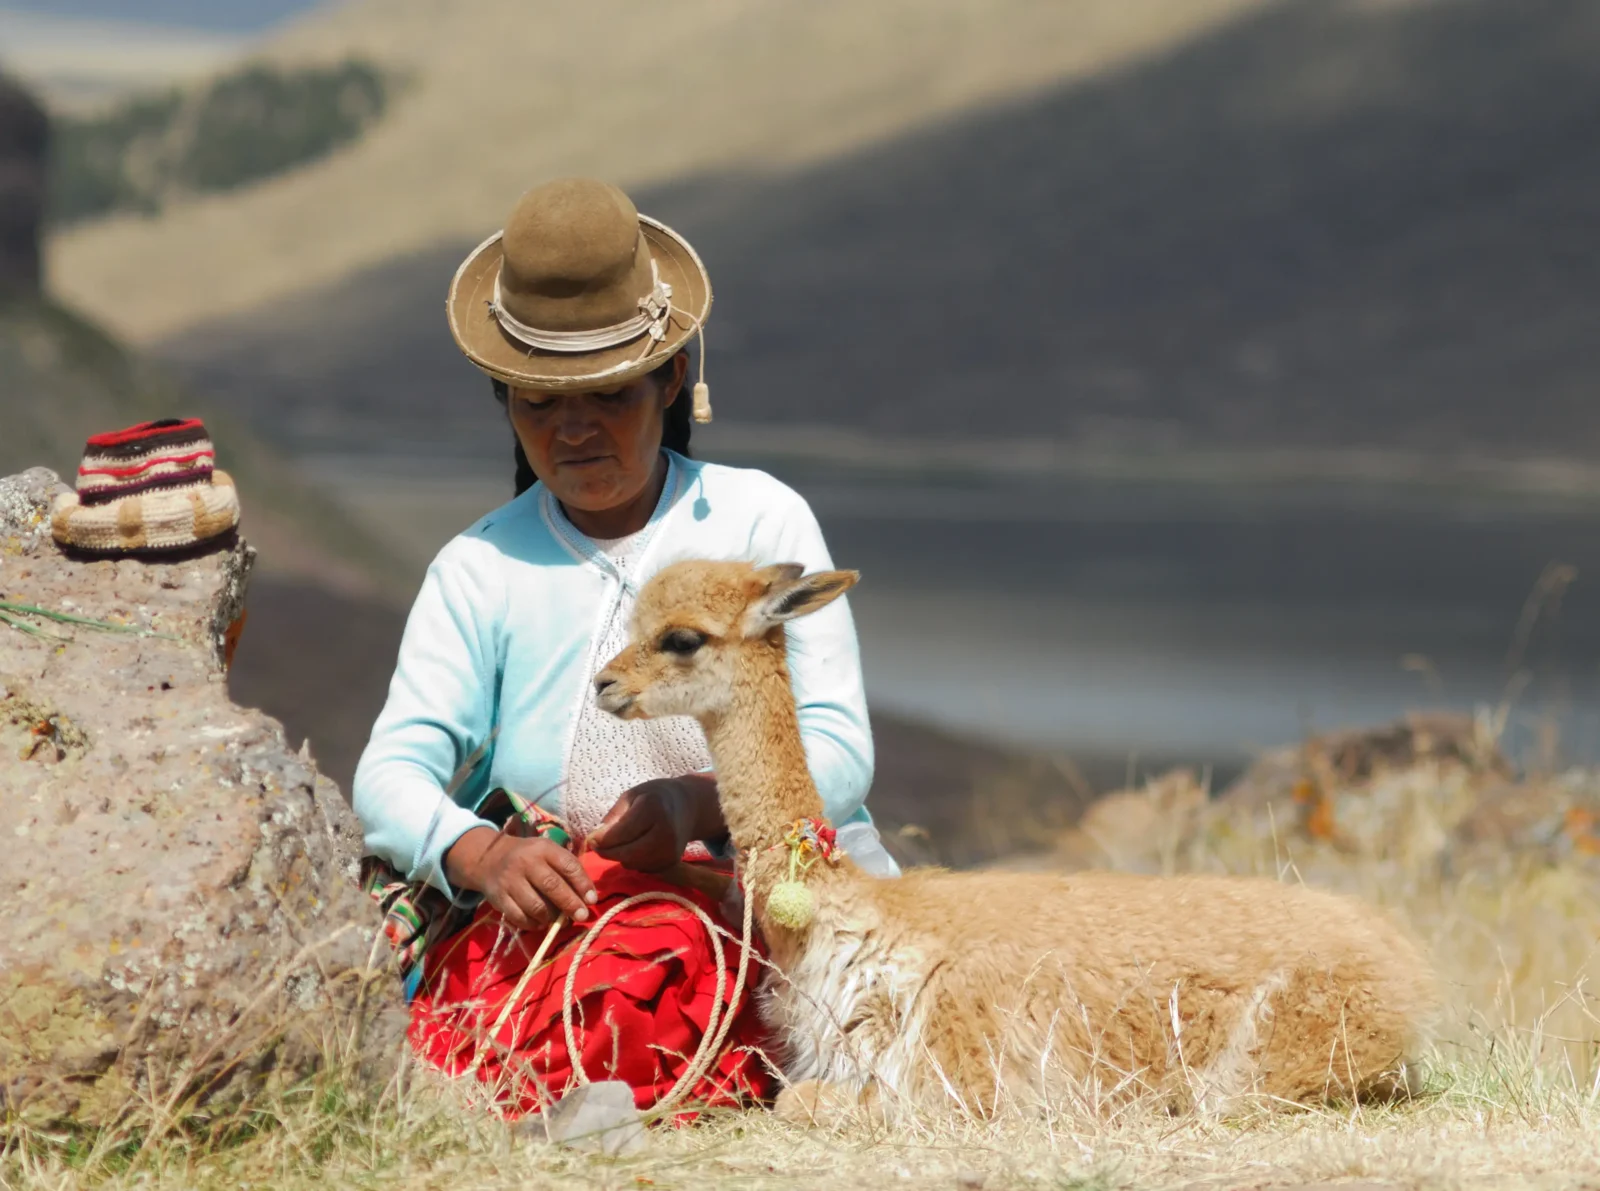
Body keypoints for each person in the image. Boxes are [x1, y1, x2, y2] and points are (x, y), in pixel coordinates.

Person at [353, 176, 899, 1117]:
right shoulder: (478, 567)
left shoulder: (763, 519)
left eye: (606, 394)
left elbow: (840, 753)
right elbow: (393, 771)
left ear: (671, 377)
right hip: (578, 925)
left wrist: (698, 802)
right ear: (505, 402)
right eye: (537, 402)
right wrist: (480, 853)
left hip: (780, 907)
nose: (572, 429)